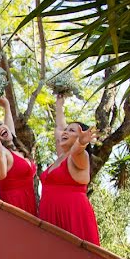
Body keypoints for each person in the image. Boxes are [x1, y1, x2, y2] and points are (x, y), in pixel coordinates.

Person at [38, 93, 100, 245]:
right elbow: (59, 128)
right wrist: (59, 104)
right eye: (66, 130)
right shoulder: (61, 156)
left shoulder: (80, 156)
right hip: (49, 216)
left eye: (71, 131)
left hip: (72, 215)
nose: (65, 132)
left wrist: (81, 143)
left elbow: (77, 151)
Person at [0, 96, 37, 215]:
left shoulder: (16, 148)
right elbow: (0, 175)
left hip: (30, 202)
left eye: (0, 124)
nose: (0, 128)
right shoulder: (2, 153)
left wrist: (6, 105)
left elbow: (9, 128)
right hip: (14, 205)